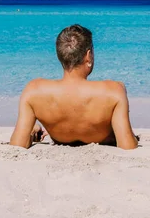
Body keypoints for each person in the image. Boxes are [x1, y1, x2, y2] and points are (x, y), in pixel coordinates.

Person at [10, 24, 138, 150]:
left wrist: (31, 134)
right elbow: (127, 146)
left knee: (32, 129)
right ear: (88, 56)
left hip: (61, 136)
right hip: (101, 137)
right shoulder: (113, 91)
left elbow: (17, 145)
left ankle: (35, 130)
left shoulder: (34, 91)